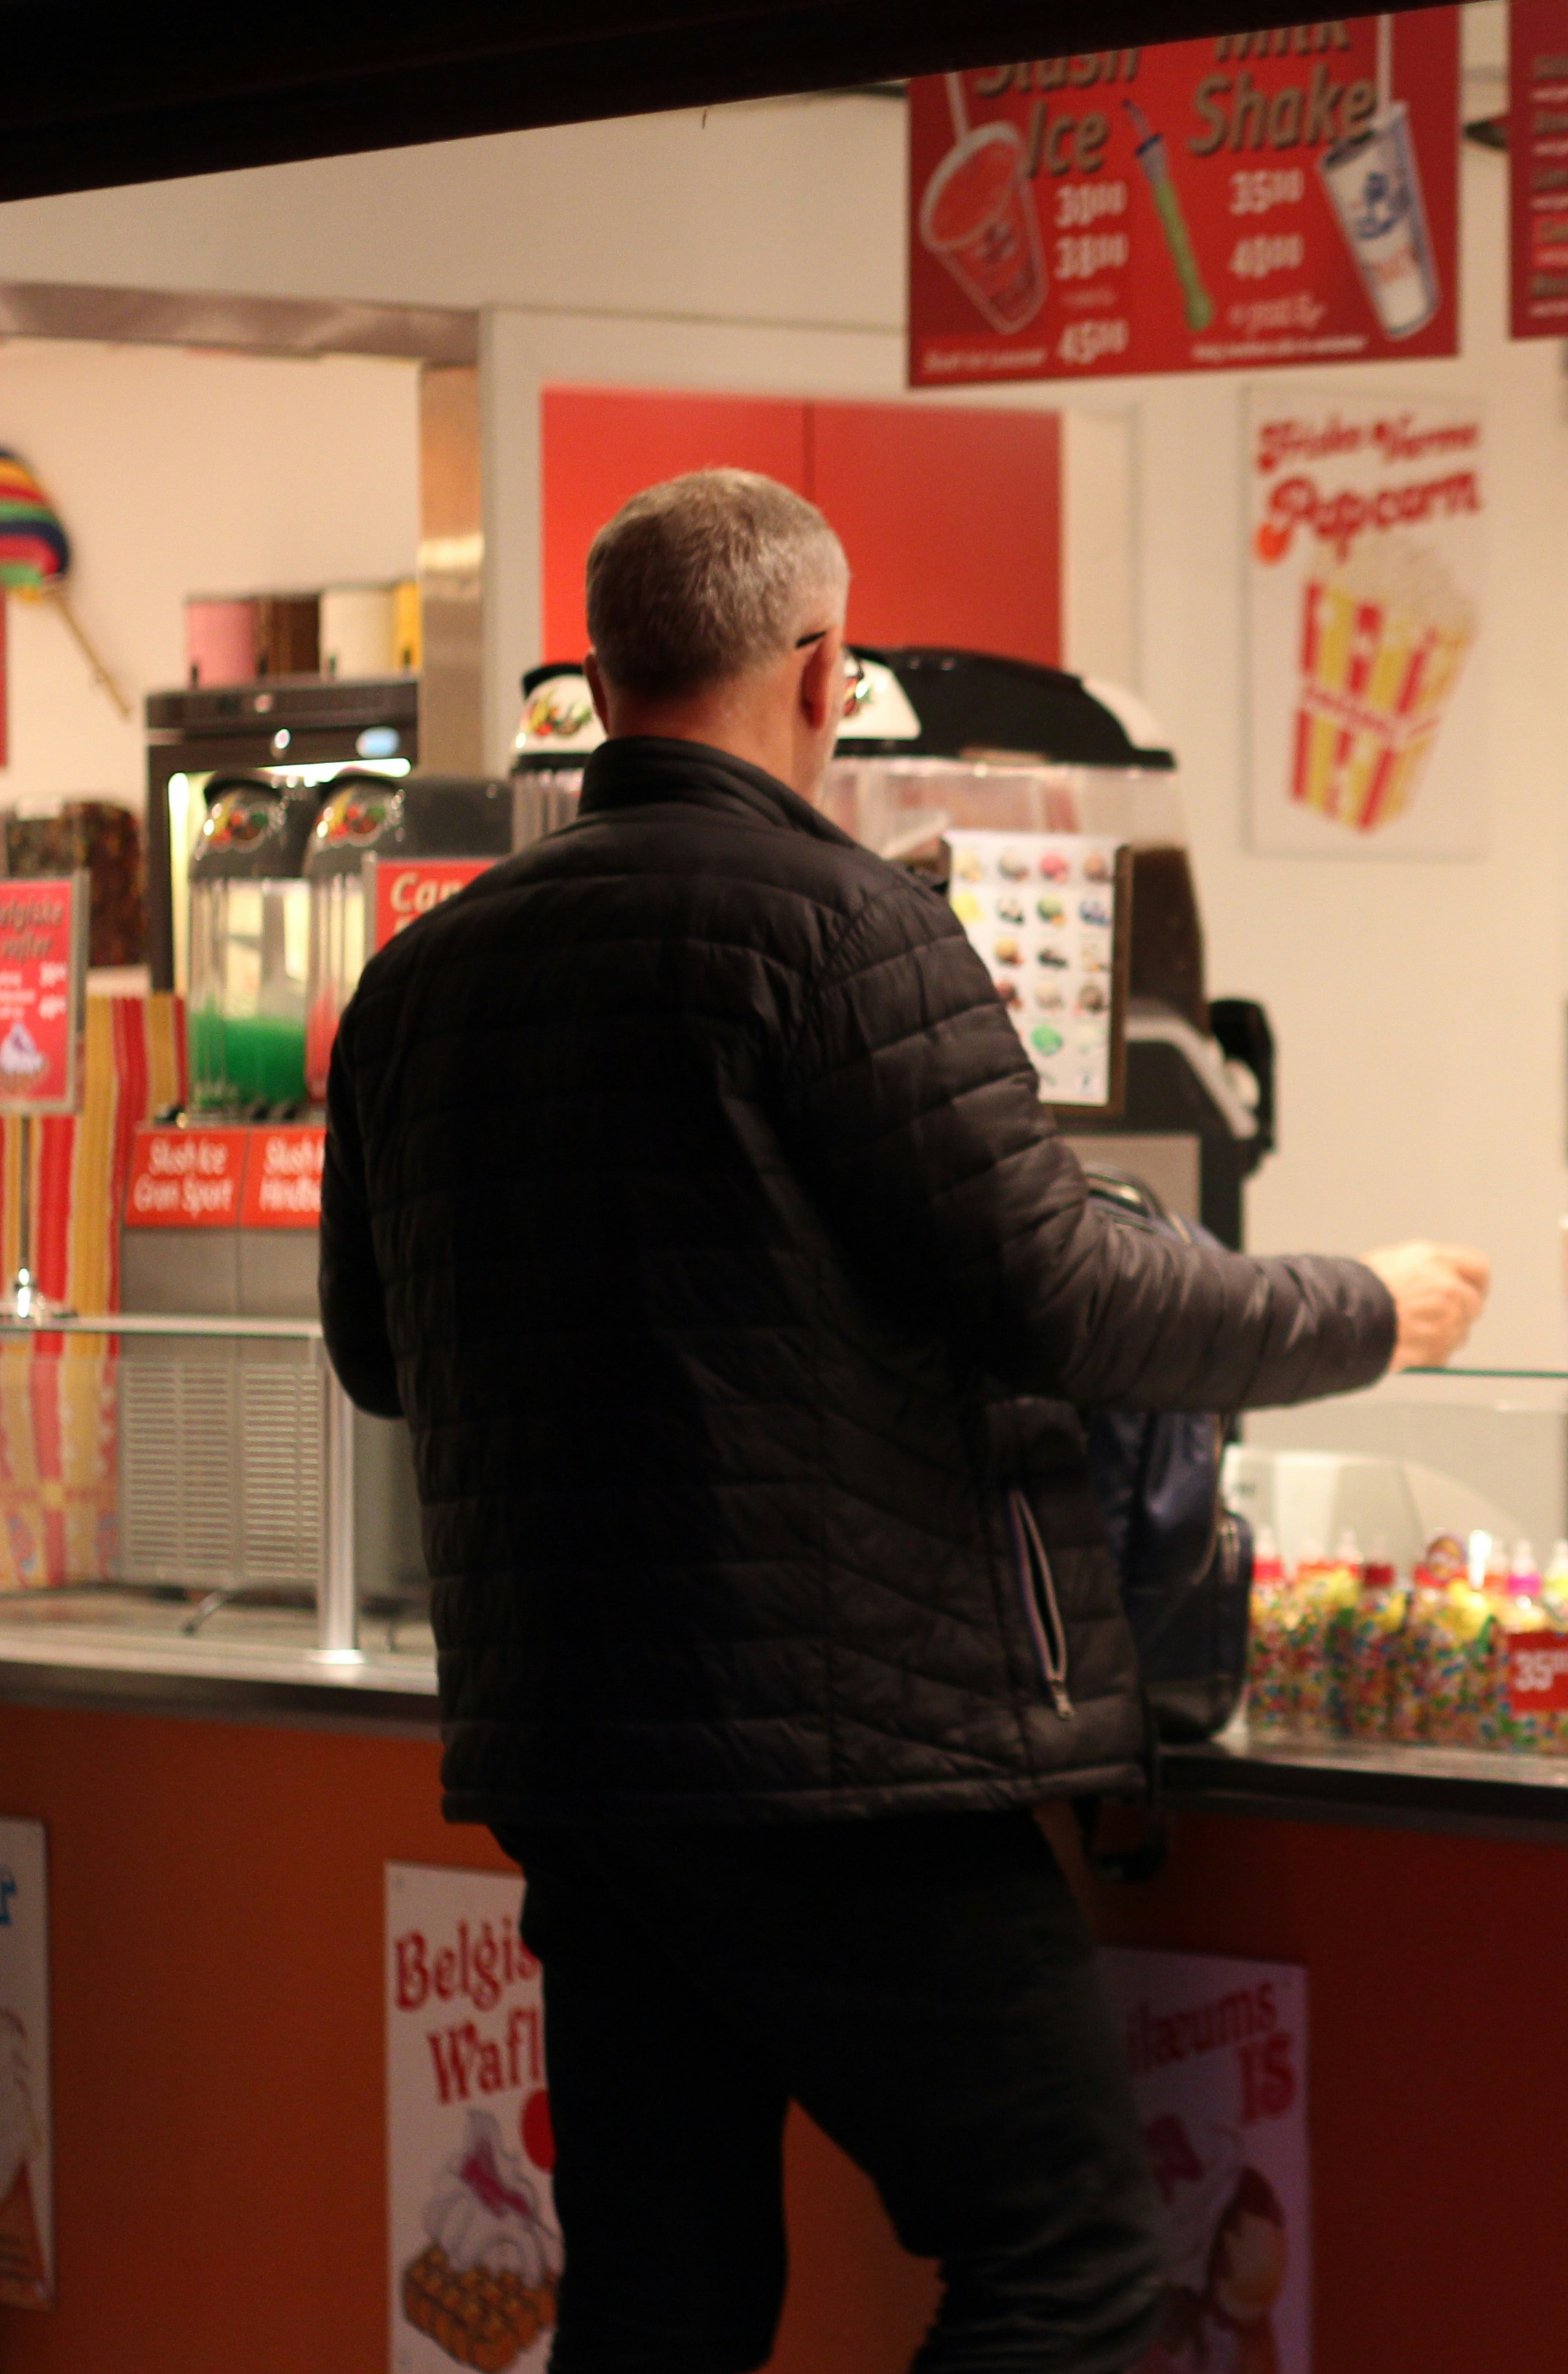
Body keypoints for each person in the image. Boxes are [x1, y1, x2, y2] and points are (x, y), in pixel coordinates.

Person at [319, 467, 1491, 2374]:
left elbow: (384, 1360)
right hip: (835, 1754)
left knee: (663, 2303)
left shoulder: (418, 981)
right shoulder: (843, 932)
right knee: (1070, 2268)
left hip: (580, 1764)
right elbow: (1063, 1292)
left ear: (603, 682)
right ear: (820, 668)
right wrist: (1371, 1307)